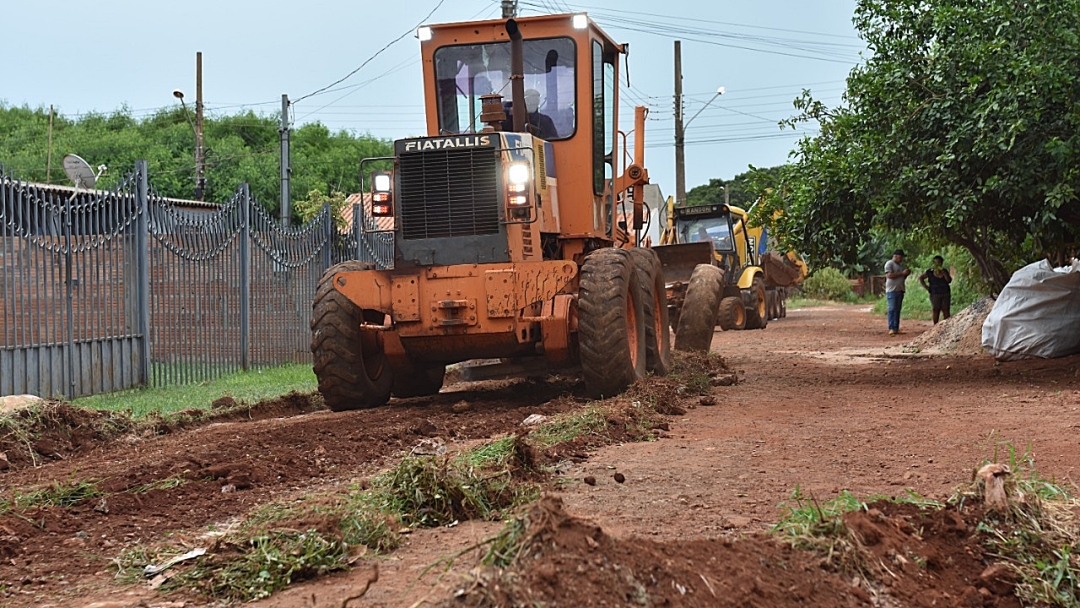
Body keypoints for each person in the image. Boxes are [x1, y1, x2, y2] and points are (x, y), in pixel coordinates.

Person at [884, 249, 911, 336]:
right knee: (892, 309)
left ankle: (896, 327)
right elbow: (889, 275)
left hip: (900, 289)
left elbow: (902, 278)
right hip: (892, 290)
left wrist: (905, 274)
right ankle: (891, 327)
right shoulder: (889, 263)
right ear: (895, 256)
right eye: (900, 257)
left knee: (897, 310)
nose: (901, 259)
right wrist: (902, 273)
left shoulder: (900, 266)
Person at [919, 255, 953, 324]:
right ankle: (935, 326)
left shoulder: (944, 271)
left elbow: (949, 280)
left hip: (945, 293)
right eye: (935, 262)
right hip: (934, 293)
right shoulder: (930, 272)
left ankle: (947, 326)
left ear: (941, 263)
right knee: (936, 309)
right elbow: (921, 278)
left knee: (946, 310)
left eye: (939, 262)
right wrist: (926, 287)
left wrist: (944, 274)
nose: (937, 264)